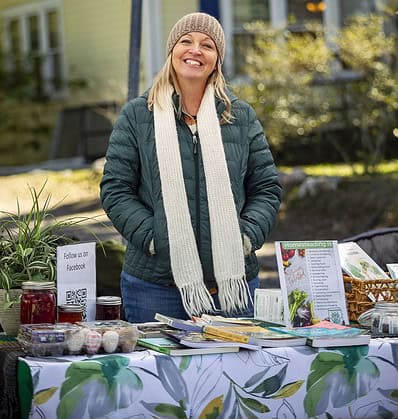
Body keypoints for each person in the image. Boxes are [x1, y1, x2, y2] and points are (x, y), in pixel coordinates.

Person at [100, 12, 282, 323]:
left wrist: (247, 237)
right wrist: (154, 237)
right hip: (155, 286)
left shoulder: (240, 116)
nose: (195, 50)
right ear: (171, 52)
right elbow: (116, 190)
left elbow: (266, 188)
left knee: (237, 372)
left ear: (217, 59)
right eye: (186, 41)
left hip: (233, 288)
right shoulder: (137, 115)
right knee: (154, 371)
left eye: (207, 45)